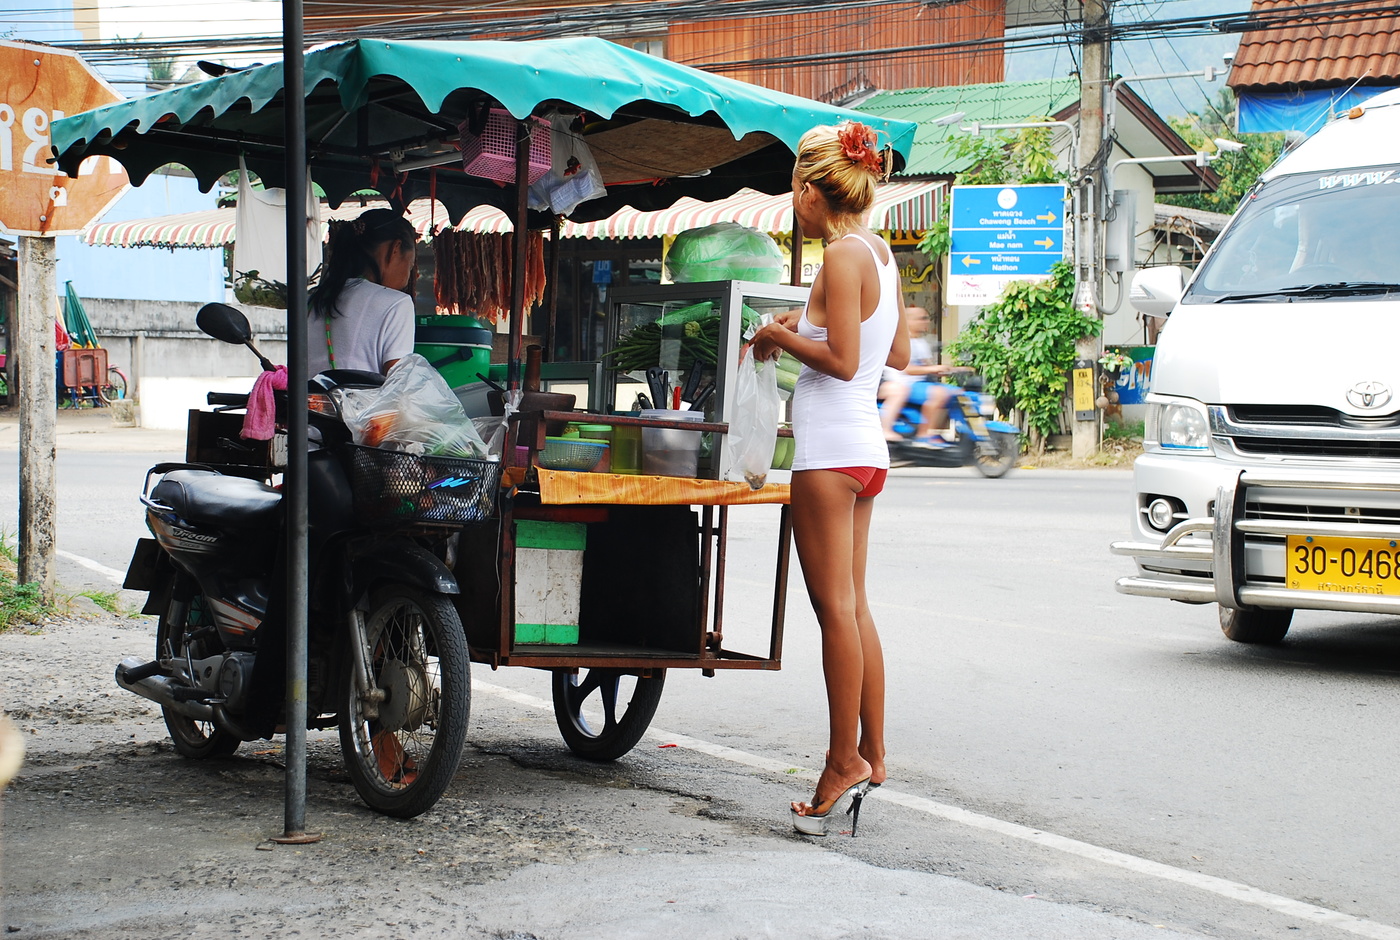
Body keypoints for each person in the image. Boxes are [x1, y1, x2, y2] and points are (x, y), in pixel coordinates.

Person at [751, 120, 904, 837]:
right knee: (857, 607)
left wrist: (782, 335)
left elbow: (843, 361)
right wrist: (806, 325)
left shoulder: (842, 256)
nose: (794, 201)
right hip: (865, 451)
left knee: (833, 612)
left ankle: (841, 760)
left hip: (829, 453)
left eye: (794, 189)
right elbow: (891, 350)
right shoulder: (880, 253)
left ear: (812, 190)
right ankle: (872, 750)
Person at [308, 208, 418, 376]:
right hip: (364, 403)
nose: (410, 276)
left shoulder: (311, 299)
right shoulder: (397, 304)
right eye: (410, 265)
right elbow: (397, 385)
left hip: (306, 402)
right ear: (395, 249)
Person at [877, 305, 957, 446]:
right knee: (939, 393)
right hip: (902, 383)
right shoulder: (898, 340)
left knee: (953, 392)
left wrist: (949, 369)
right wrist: (933, 368)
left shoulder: (920, 342)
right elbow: (906, 368)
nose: (926, 322)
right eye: (921, 319)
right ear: (908, 320)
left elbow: (926, 366)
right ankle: (924, 435)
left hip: (918, 383)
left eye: (926, 318)